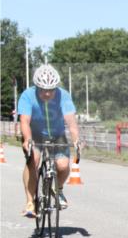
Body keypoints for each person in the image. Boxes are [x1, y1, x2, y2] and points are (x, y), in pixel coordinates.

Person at [18, 64, 81, 216]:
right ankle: (30, 202)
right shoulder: (27, 95)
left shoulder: (63, 96)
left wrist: (76, 141)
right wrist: (27, 139)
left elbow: (71, 123)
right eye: (43, 89)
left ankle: (57, 189)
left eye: (51, 89)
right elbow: (25, 121)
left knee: (63, 165)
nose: (47, 93)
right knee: (33, 160)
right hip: (35, 133)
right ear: (37, 86)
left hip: (57, 133)